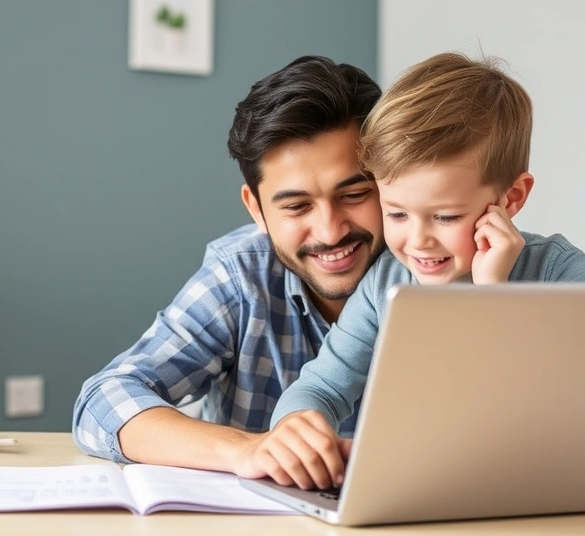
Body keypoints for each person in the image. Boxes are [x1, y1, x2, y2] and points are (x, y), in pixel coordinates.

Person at [263, 52, 585, 490]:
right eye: (397, 213)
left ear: (512, 198)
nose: (417, 241)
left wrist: (495, 302)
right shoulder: (386, 282)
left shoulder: (554, 272)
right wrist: (297, 431)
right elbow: (319, 388)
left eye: (445, 217)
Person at [72, 56, 385, 479]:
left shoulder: (439, 269)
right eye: (297, 206)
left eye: (355, 194)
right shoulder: (242, 276)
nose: (330, 232)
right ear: (256, 209)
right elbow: (102, 401)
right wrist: (247, 450)